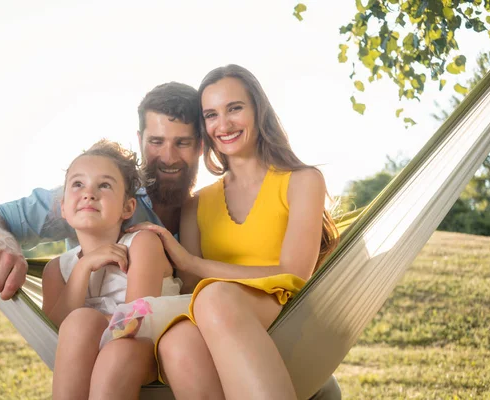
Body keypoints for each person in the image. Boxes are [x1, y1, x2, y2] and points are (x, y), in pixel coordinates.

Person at [0, 81, 342, 399]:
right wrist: (3, 241)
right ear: (141, 140)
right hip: (134, 349)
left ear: (202, 145)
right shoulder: (98, 194)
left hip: (203, 336)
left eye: (182, 142)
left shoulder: (201, 207)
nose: (168, 156)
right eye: (157, 141)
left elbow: (194, 289)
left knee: (320, 388)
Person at [129, 64, 340, 400]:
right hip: (216, 316)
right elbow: (189, 289)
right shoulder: (196, 204)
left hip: (286, 311)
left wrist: (195, 265)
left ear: (258, 109)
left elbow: (293, 274)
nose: (223, 124)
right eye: (211, 115)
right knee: (176, 340)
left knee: (213, 296)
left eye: (235, 108)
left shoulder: (302, 181)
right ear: (204, 130)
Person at [42, 140, 186, 399]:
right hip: (94, 357)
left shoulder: (142, 244)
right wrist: (83, 267)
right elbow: (53, 335)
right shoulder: (57, 269)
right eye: (78, 184)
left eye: (104, 185)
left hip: (151, 350)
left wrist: (87, 327)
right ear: (63, 207)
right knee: (79, 321)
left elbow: (134, 323)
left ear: (127, 207)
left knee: (104, 341)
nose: (89, 193)